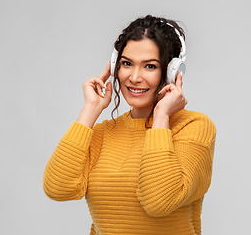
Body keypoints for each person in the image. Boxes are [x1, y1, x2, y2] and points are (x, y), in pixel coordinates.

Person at [43, 15, 216, 235]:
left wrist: (161, 114)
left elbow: (158, 202)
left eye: (150, 66)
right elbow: (58, 189)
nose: (134, 77)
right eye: (127, 64)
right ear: (115, 66)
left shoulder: (194, 126)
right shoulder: (102, 133)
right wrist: (91, 109)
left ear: (173, 72)